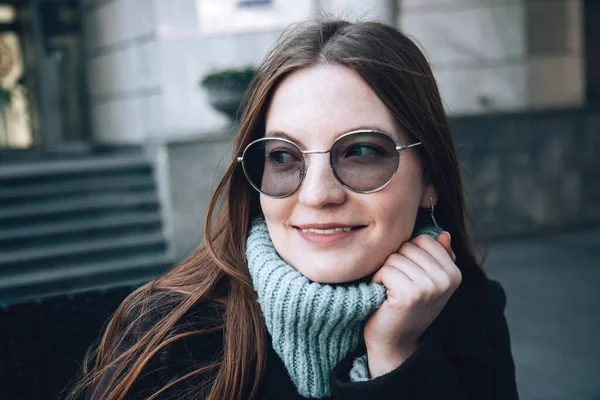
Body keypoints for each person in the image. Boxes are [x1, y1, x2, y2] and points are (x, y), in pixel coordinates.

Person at [66, 18, 519, 400]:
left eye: (360, 152)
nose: (318, 195)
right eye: (283, 157)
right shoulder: (170, 335)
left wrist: (396, 359)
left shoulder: (473, 312)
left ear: (431, 180)